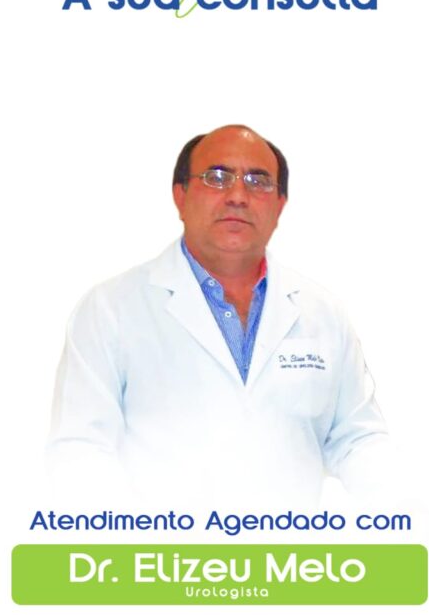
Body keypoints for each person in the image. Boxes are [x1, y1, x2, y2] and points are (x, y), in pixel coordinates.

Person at [48, 125, 388, 508]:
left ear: (280, 205)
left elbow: (357, 438)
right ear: (180, 196)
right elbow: (81, 451)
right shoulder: (110, 309)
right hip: (159, 543)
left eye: (258, 181)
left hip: (289, 544)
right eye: (217, 177)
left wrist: (406, 512)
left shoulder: (323, 313)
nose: (238, 196)